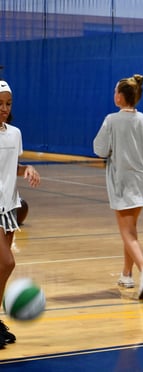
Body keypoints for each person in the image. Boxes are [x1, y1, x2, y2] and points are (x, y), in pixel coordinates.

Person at [93, 74, 143, 300]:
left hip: (122, 182)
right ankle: (127, 274)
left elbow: (100, 149)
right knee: (131, 230)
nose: (114, 95)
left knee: (127, 232)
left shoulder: (111, 120)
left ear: (121, 97)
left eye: (116, 91)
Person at [0, 80, 40, 348]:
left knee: (1, 269)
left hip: (9, 207)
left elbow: (11, 166)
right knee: (7, 263)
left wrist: (26, 169)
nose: (4, 108)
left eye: (8, 103)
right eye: (0, 104)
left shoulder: (14, 133)